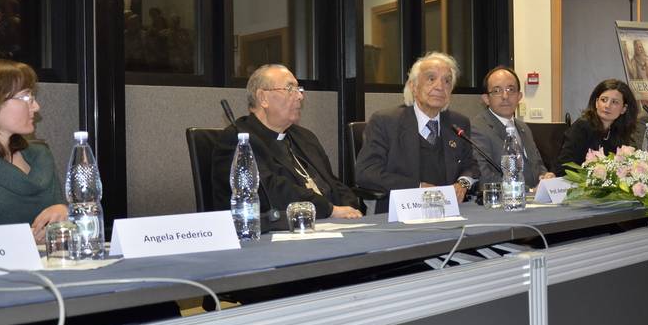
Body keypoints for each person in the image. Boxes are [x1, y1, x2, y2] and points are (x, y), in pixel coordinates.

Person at [211, 64, 362, 220]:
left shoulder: (305, 137)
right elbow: (271, 191)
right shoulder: (238, 140)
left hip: (331, 223)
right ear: (263, 98)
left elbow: (332, 182)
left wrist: (350, 208)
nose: (300, 96)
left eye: (299, 89)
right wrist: (330, 210)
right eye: (290, 89)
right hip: (278, 229)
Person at [355, 52, 480, 213]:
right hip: (399, 212)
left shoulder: (458, 123)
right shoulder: (386, 122)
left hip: (449, 211)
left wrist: (463, 184)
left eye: (447, 81)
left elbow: (471, 165)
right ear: (413, 87)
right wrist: (418, 187)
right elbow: (366, 172)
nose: (440, 87)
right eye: (431, 79)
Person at [0, 59, 67, 241]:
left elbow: (62, 214)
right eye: (26, 97)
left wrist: (63, 211)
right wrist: (20, 241)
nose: (36, 107)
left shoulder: (40, 156)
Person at [471, 66, 554, 187]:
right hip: (507, 197)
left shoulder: (524, 127)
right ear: (486, 99)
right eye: (497, 91)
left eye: (511, 89)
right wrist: (526, 191)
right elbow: (484, 176)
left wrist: (545, 176)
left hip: (535, 197)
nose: (505, 96)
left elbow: (538, 165)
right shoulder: (477, 128)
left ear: (519, 96)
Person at [555, 78, 638, 174]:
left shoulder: (621, 131)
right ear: (596, 103)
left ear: (624, 109)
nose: (607, 106)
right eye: (604, 100)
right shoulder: (582, 126)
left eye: (614, 102)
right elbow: (564, 165)